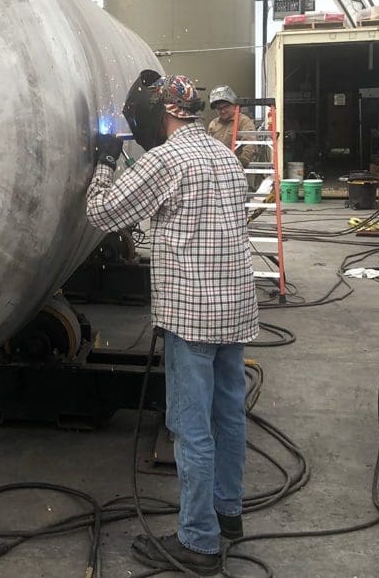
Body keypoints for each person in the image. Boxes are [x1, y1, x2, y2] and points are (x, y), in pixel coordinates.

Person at [87, 73, 259, 575]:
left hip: (191, 315)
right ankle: (228, 514)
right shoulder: (222, 155)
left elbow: (104, 213)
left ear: (157, 113)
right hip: (234, 310)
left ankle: (199, 541)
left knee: (189, 427)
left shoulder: (166, 158)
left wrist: (104, 159)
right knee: (227, 415)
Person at [206, 85, 257, 169]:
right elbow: (208, 147)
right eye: (219, 108)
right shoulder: (213, 124)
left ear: (234, 105)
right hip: (218, 168)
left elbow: (250, 144)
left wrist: (242, 162)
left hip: (240, 169)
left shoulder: (244, 122)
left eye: (226, 107)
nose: (222, 111)